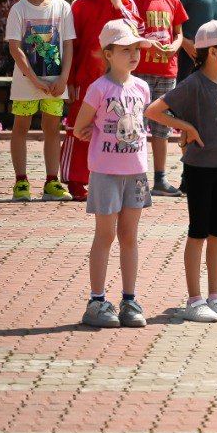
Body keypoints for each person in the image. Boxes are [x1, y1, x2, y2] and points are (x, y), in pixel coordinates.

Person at [143, 21, 217, 323]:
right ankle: (194, 299)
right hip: (199, 168)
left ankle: (216, 297)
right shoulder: (192, 84)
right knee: (198, 233)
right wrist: (187, 126)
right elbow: (153, 111)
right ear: (213, 51)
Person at [74, 20, 153, 329]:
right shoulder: (98, 88)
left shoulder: (142, 87)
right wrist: (90, 134)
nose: (133, 54)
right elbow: (81, 125)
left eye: (136, 49)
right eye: (125, 50)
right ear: (108, 54)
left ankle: (130, 300)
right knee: (105, 235)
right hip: (105, 173)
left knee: (129, 236)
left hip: (136, 173)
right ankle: (96, 301)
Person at [62, 0, 142, 202]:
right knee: (79, 126)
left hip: (119, 80)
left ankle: (108, 174)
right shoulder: (79, 4)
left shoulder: (127, 5)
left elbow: (139, 32)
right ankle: (75, 180)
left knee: (111, 127)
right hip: (86, 77)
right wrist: (71, 81)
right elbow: (71, 46)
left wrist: (117, 5)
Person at [6, 0, 74, 202]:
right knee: (21, 127)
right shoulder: (18, 9)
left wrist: (64, 78)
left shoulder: (62, 7)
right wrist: (34, 80)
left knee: (52, 128)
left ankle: (51, 181)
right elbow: (15, 47)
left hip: (56, 82)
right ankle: (21, 181)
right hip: (27, 82)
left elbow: (68, 45)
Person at [130, 0, 189, 197]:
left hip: (167, 70)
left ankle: (161, 178)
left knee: (162, 129)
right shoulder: (132, 1)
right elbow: (129, 34)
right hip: (141, 71)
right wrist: (145, 43)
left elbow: (178, 34)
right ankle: (137, 176)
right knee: (139, 127)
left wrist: (175, 47)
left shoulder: (172, 1)